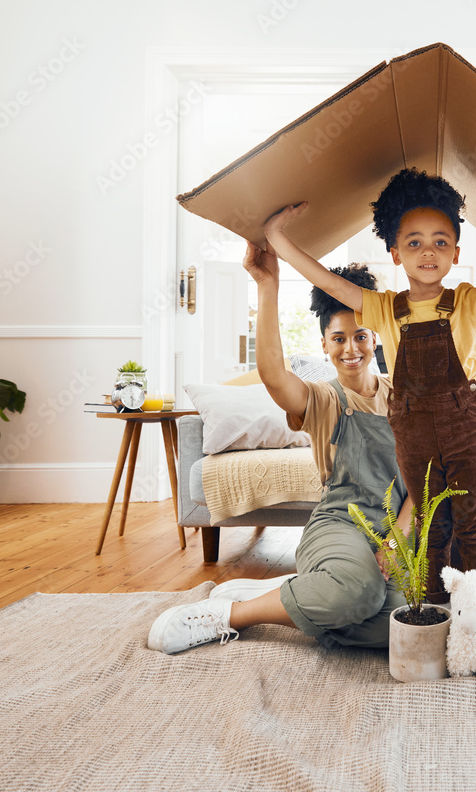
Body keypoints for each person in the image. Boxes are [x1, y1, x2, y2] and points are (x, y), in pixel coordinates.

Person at [262, 168, 476, 603]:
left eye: (440, 242)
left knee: (474, 520)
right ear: (394, 252)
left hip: (464, 427)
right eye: (414, 242)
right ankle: (433, 612)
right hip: (412, 431)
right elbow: (324, 279)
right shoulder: (381, 308)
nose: (427, 252)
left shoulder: (468, 301)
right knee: (433, 525)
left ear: (454, 252)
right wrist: (277, 238)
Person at [148, 246, 413, 655]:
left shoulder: (405, 398)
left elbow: (419, 483)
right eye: (338, 339)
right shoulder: (324, 400)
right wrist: (266, 284)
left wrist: (395, 543)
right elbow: (273, 373)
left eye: (360, 336)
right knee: (358, 595)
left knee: (404, 627)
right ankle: (229, 614)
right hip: (340, 527)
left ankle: (300, 590)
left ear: (375, 337)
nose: (350, 349)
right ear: (324, 345)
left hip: (393, 531)